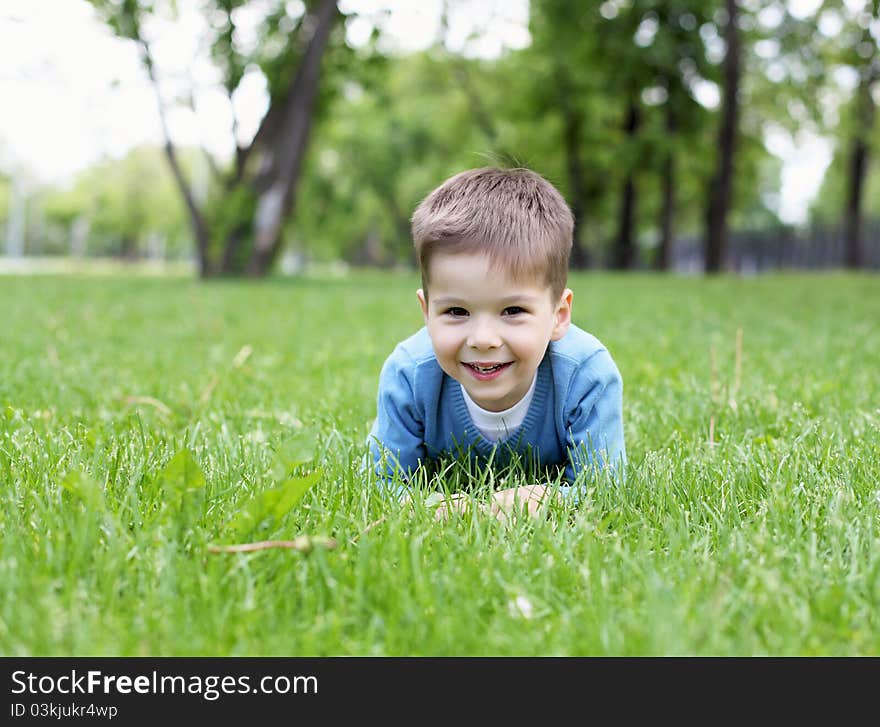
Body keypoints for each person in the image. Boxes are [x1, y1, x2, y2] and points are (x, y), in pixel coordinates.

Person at [367, 167, 625, 520]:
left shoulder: (586, 374)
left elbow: (606, 488)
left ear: (558, 315)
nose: (484, 340)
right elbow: (379, 484)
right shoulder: (409, 374)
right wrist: (434, 508)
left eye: (513, 310)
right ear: (427, 312)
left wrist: (553, 499)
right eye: (457, 311)